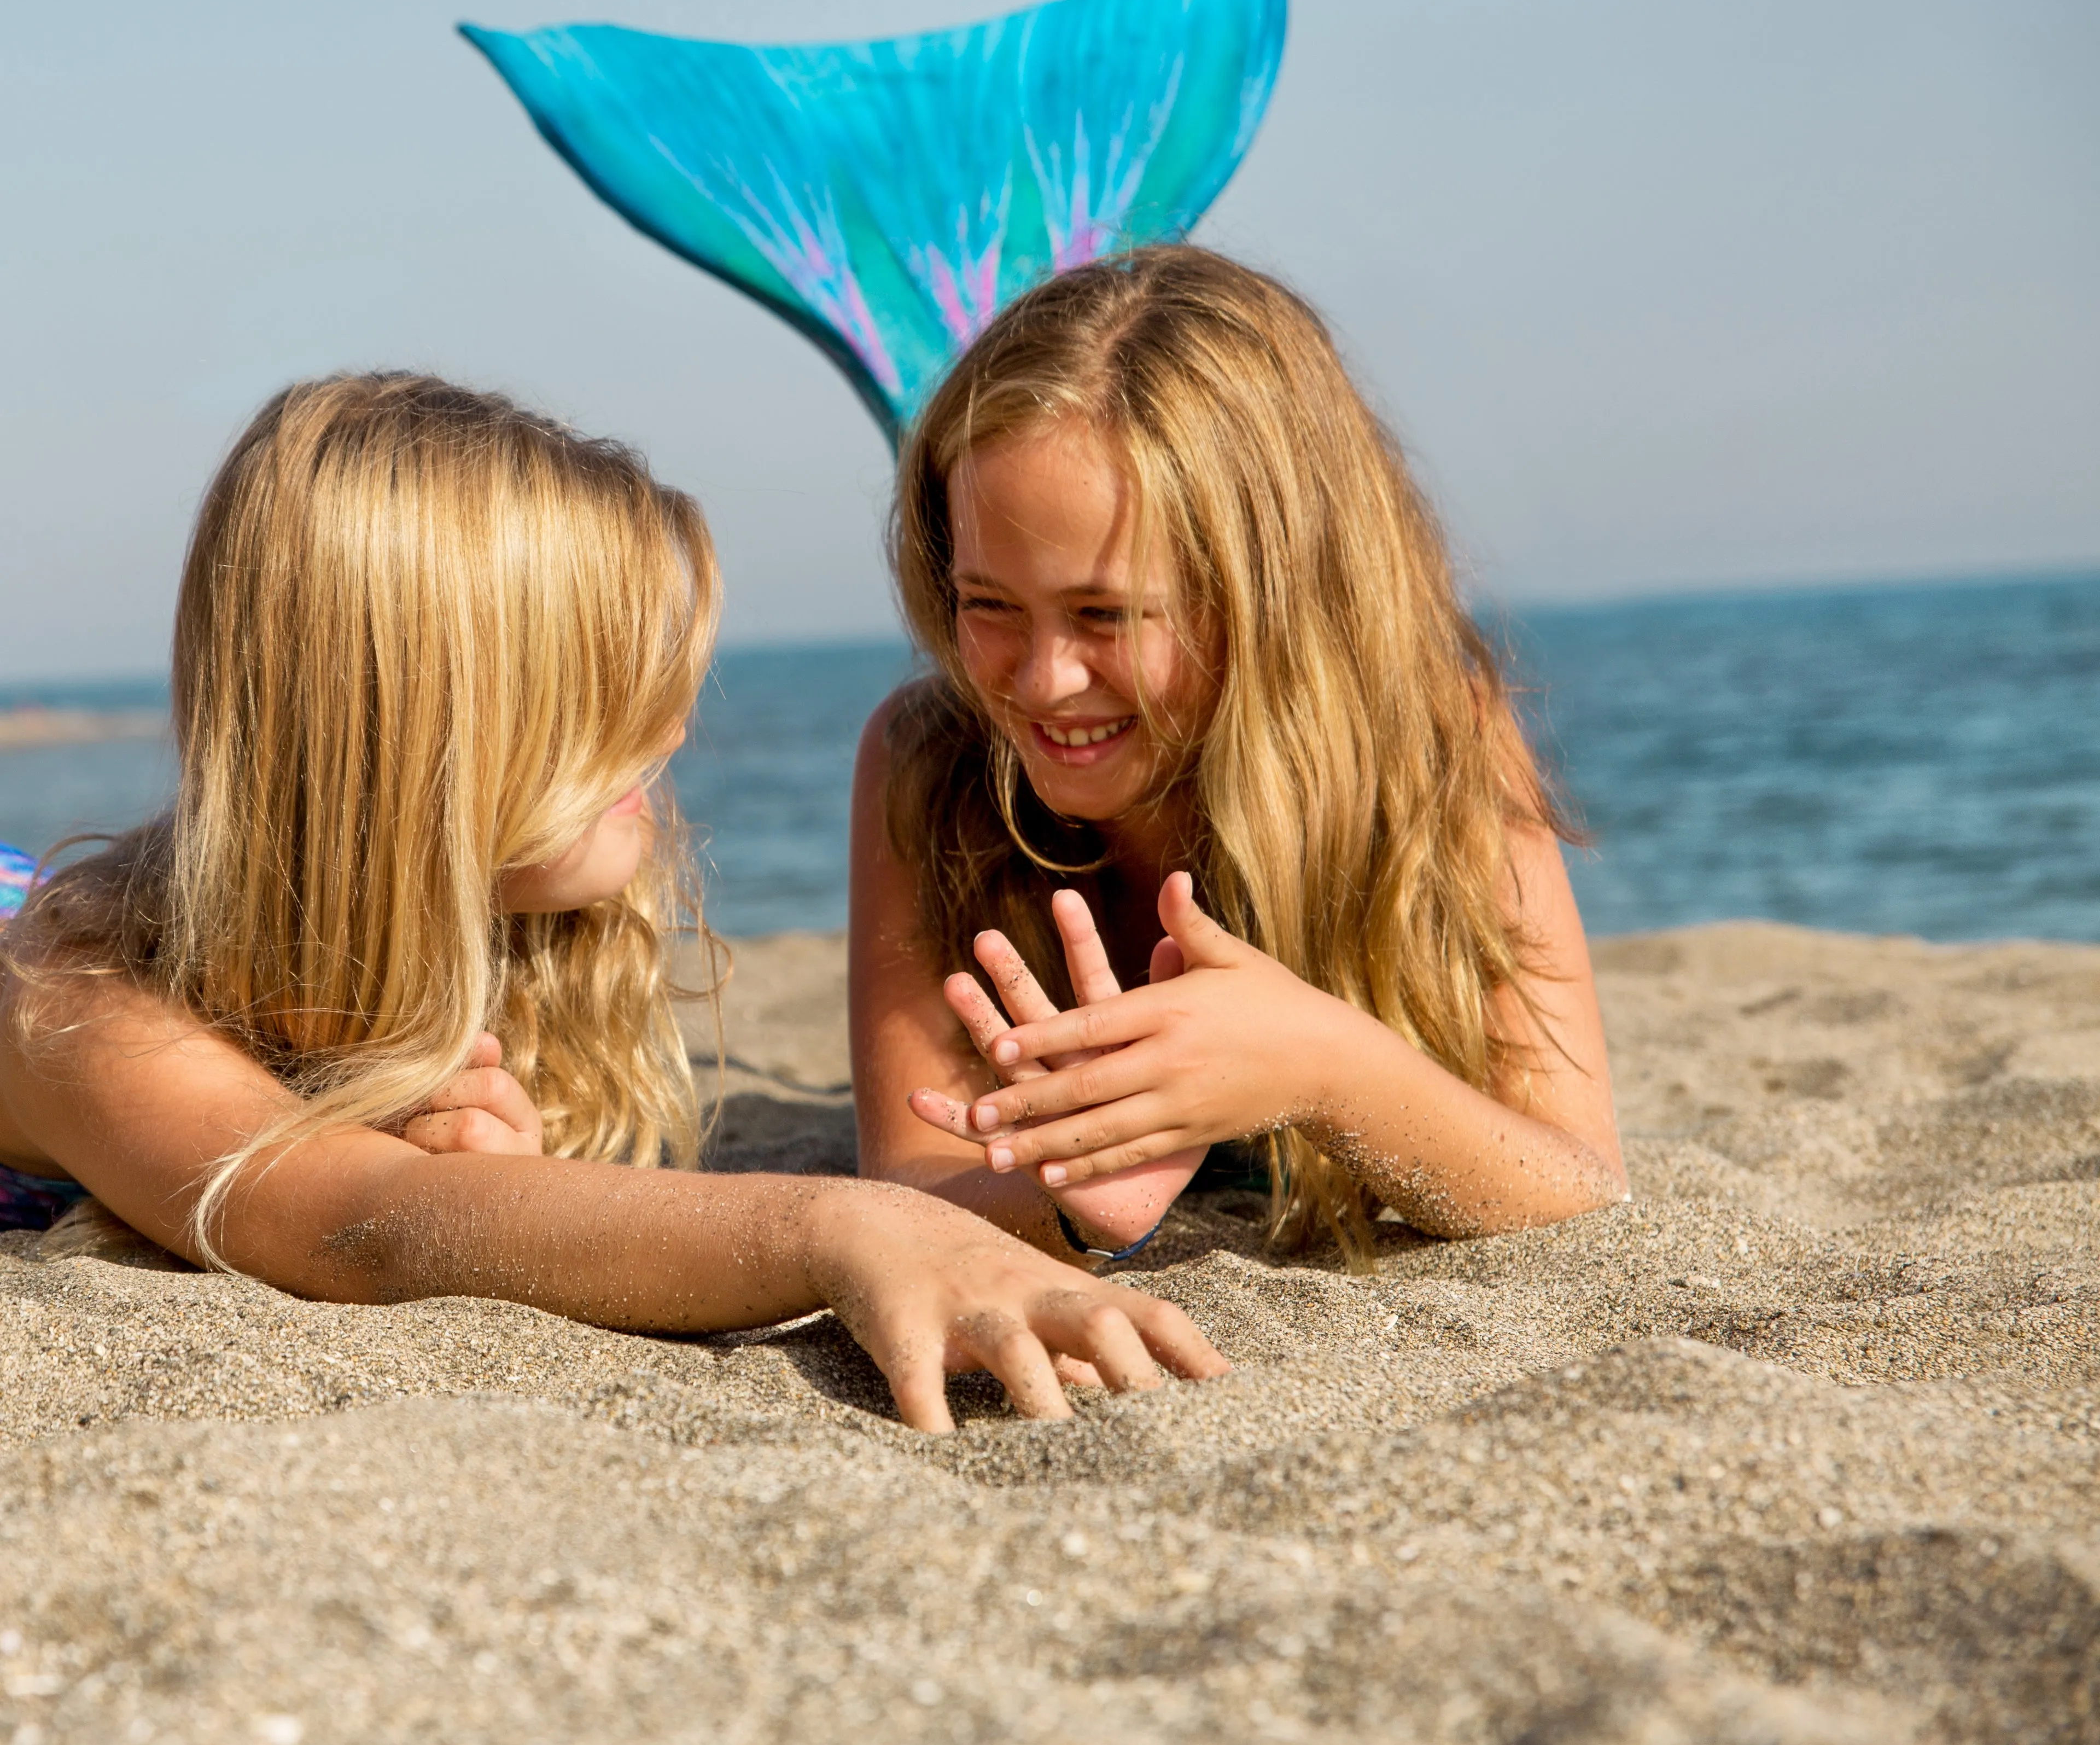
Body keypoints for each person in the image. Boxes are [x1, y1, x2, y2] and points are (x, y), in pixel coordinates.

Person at [0, 374, 1226, 1428]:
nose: (679, 728)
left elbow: (427, 1202)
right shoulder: (74, 998)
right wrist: (847, 1230)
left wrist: (501, 1189)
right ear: (438, 743)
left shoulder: (486, 952)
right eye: (613, 699)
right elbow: (358, 1225)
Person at [850, 247, 1628, 1267]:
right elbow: (907, 1177)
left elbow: (1579, 1177)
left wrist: (1323, 1068)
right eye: (988, 604)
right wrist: (1076, 1202)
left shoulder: (1440, 744)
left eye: (1106, 615)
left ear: (1275, 600)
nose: (1042, 681)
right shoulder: (929, 761)